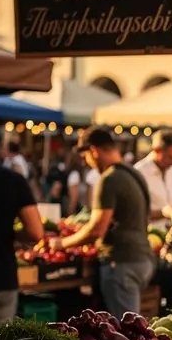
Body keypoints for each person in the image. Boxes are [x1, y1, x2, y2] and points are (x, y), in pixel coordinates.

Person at [50, 128, 155, 320]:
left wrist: (61, 244)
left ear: (94, 151)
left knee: (126, 329)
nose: (87, 162)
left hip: (121, 262)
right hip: (143, 259)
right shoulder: (133, 173)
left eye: (86, 157)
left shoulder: (109, 179)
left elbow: (97, 229)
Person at [0, 139, 43, 323]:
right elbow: (36, 232)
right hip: (2, 277)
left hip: (2, 277)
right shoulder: (12, 180)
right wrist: (11, 233)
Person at [135, 131, 172, 225]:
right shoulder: (139, 172)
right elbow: (134, 212)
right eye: (170, 157)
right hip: (150, 234)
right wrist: (164, 213)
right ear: (156, 150)